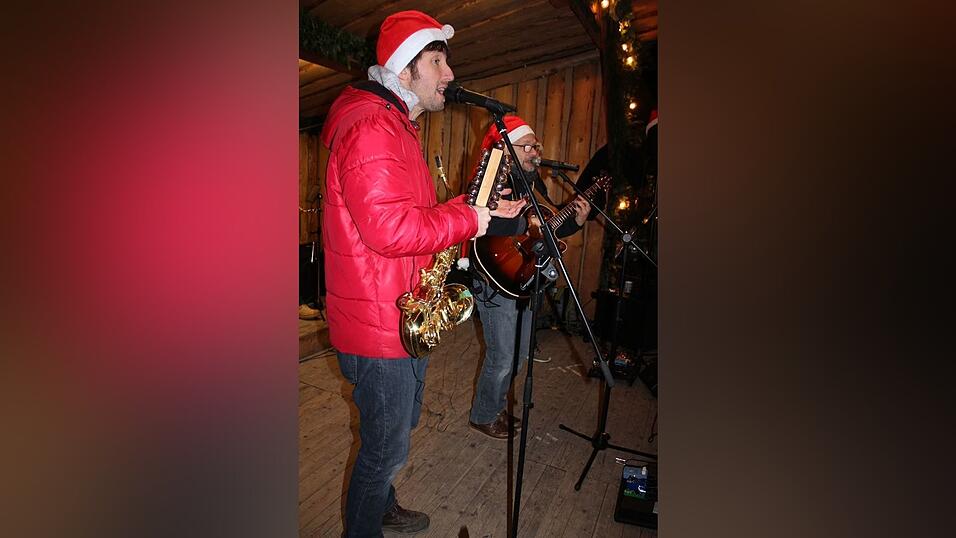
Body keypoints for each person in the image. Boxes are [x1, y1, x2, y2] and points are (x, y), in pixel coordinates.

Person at [320, 10, 523, 537]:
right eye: (437, 61)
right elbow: (389, 230)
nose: (449, 74)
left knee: (397, 430)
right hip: (379, 326)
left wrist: (474, 210)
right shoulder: (372, 127)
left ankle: (381, 503)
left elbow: (414, 217)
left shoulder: (394, 125)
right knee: (384, 448)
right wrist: (470, 218)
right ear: (404, 67)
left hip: (401, 313)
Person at [467, 116, 591, 440]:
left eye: (537, 146)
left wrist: (576, 221)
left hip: (522, 276)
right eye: (528, 146)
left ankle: (494, 406)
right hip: (495, 279)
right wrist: (526, 225)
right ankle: (484, 415)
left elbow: (547, 228)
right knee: (502, 356)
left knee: (520, 353)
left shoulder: (533, 184)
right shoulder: (493, 176)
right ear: (507, 148)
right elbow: (478, 223)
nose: (536, 152)